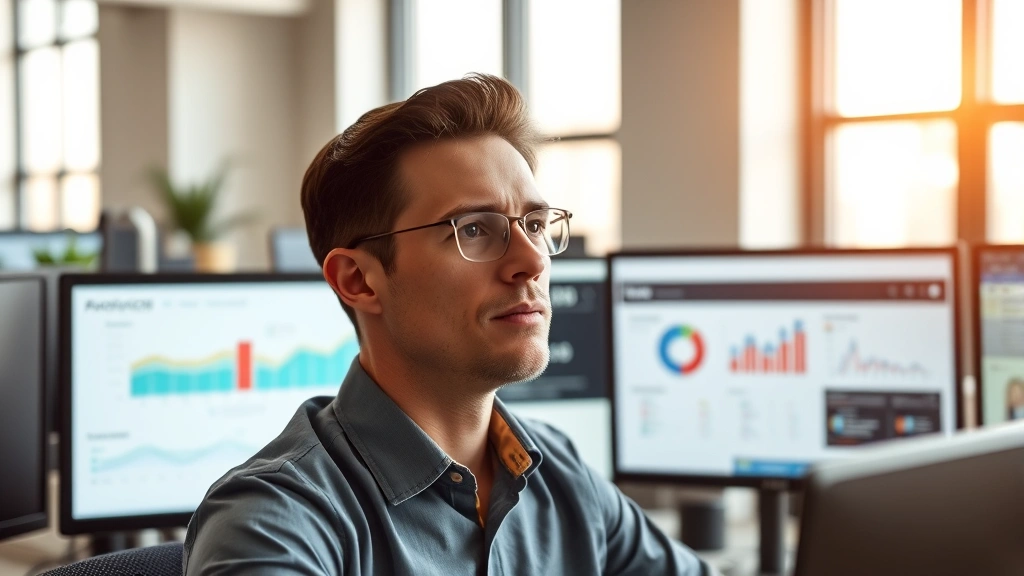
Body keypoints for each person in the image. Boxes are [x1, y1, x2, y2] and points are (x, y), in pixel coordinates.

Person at [183, 74, 711, 575]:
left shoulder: (561, 475)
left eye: (535, 225)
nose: (532, 261)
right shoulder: (272, 522)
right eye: (475, 229)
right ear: (359, 281)